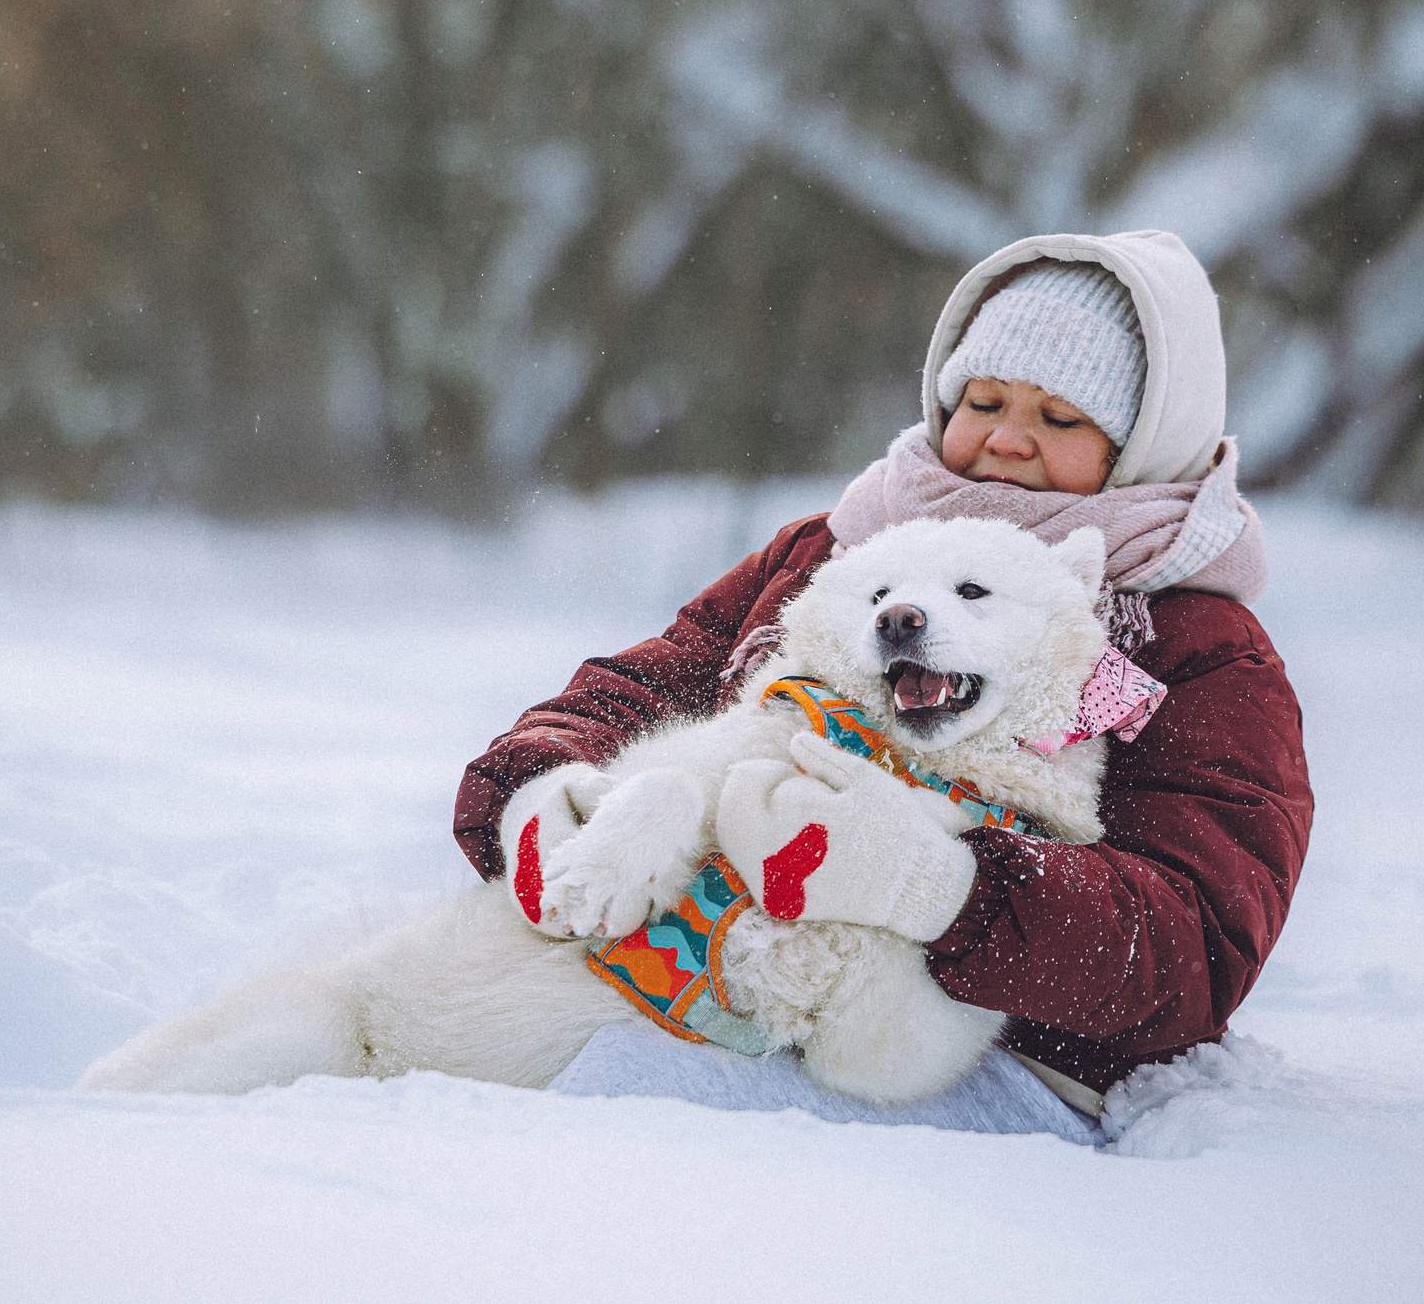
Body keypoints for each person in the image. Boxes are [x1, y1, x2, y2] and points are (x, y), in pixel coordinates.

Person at [452, 230, 1311, 1141]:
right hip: (688, 973)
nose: (1008, 440)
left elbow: (1192, 945)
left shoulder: (1200, 650)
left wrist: (942, 885)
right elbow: (639, 689)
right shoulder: (843, 552)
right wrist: (543, 787)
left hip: (959, 1073)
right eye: (983, 400)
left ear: (1147, 440)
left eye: (1061, 420)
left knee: (592, 1106)